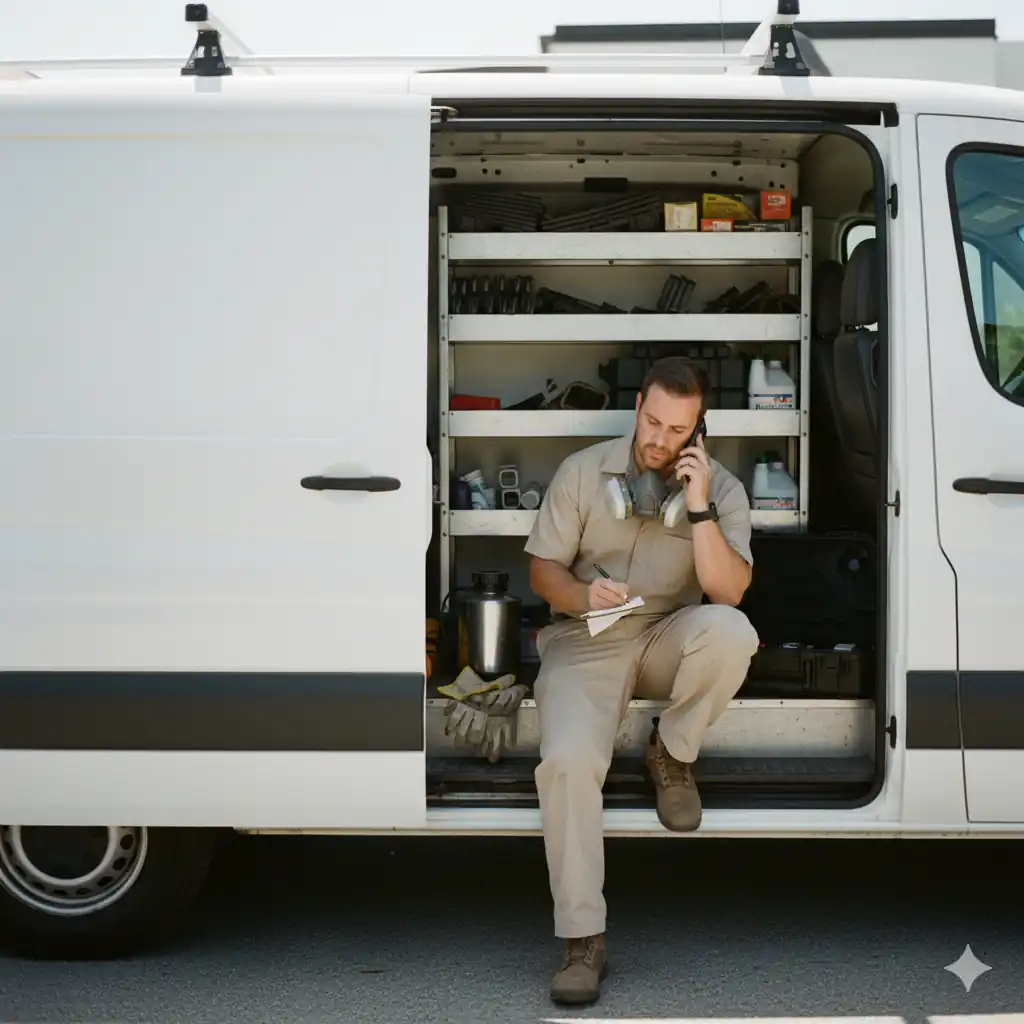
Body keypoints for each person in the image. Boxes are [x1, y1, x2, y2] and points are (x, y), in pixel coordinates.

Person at [523, 356, 759, 1006]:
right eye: (652, 421)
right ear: (637, 410)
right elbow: (542, 571)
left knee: (732, 634)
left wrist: (699, 505)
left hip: (666, 633)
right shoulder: (583, 471)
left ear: (697, 431)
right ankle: (583, 940)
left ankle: (672, 754)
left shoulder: (722, 490)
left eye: (677, 430)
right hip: (586, 636)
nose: (659, 438)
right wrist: (580, 594)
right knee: (567, 760)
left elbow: (728, 592)